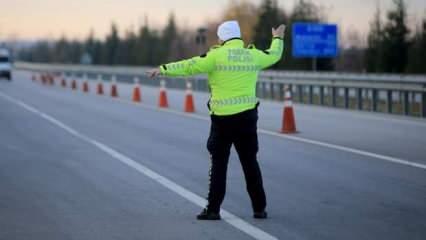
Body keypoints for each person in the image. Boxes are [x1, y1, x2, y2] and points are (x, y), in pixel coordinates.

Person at [147, 20, 285, 220]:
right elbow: (274, 55)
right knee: (250, 163)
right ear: (237, 36)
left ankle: (213, 209)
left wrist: (163, 69)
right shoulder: (253, 55)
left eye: (219, 36)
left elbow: (189, 66)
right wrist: (277, 38)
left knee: (219, 165)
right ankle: (259, 208)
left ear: (223, 37)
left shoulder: (215, 56)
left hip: (222, 121)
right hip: (247, 118)